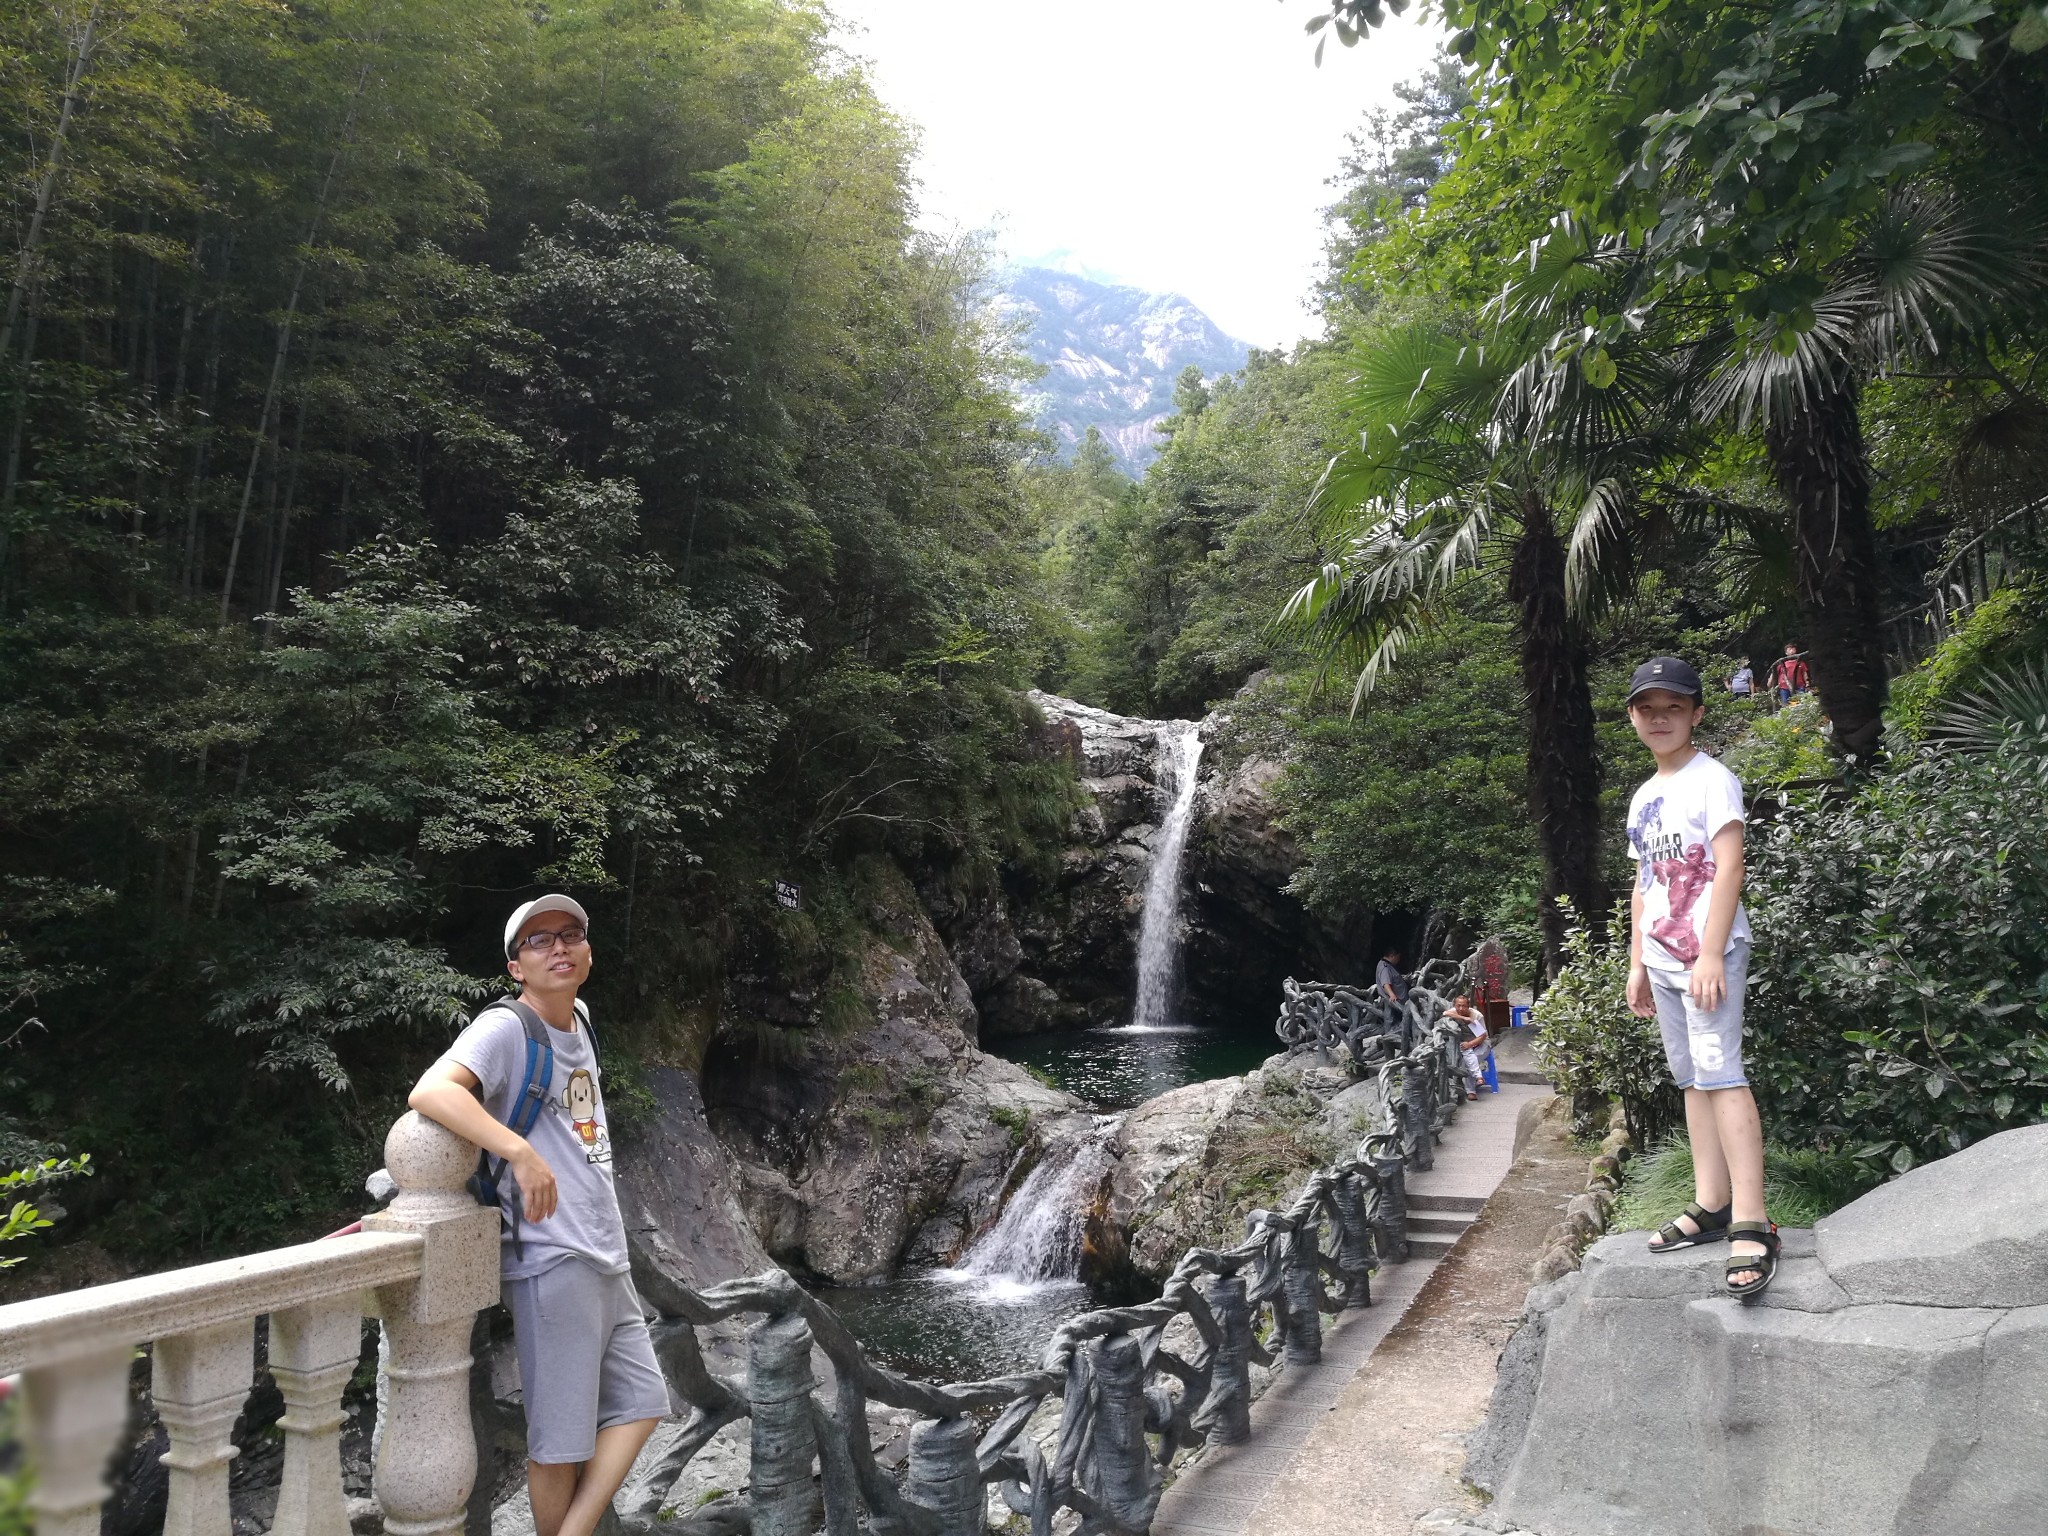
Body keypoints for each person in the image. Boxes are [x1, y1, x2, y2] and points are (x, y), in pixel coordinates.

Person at [408, 896, 668, 1536]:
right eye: (539, 940)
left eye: (570, 934)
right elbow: (431, 1091)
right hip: (551, 1258)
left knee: (644, 1403)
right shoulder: (504, 1028)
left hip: (603, 1249)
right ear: (515, 967)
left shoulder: (580, 1018)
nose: (558, 947)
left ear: (588, 952)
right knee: (559, 1443)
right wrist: (519, 1152)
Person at [1622, 658, 1777, 1299]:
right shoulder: (1643, 795)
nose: (1660, 718)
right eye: (1647, 708)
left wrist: (1711, 954)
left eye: (1674, 707)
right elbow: (1643, 885)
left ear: (1696, 714)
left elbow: (1730, 866)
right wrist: (1636, 962)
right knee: (1692, 1080)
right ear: (1633, 716)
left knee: (1723, 1075)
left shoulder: (1713, 779)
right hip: (1662, 960)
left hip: (1706, 957)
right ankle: (1711, 1203)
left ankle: (1752, 1220)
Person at [1445, 993, 1490, 1101]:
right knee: (1463, 1056)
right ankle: (1477, 1078)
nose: (1461, 1008)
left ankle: (1471, 1090)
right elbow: (1445, 1013)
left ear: (1468, 1006)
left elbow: (1482, 1036)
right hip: (1463, 1045)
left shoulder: (1476, 1016)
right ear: (1455, 1005)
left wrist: (1470, 1044)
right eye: (1458, 1005)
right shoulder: (1454, 1012)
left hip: (1480, 1044)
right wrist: (1464, 1018)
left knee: (1469, 1059)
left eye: (1464, 1006)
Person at [1767, 643, 1809, 707]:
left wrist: (1807, 683)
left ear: (1796, 651)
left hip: (1799, 686)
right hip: (1784, 687)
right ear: (1786, 652)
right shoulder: (1781, 663)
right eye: (1789, 649)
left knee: (1800, 705)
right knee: (1786, 705)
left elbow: (1804, 673)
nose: (1792, 651)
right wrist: (1770, 682)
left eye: (1793, 649)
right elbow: (1774, 672)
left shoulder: (1801, 663)